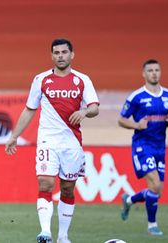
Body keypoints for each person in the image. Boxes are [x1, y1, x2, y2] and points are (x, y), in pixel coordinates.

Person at [5, 38, 99, 243]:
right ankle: (45, 232)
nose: (60, 56)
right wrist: (14, 136)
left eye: (64, 52)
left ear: (72, 55)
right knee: (45, 183)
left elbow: (94, 107)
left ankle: (63, 236)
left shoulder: (83, 80)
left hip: (72, 143)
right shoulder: (41, 79)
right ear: (52, 56)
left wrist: (84, 111)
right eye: (56, 53)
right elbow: (29, 109)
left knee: (67, 188)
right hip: (48, 140)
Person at [118, 59, 168, 236]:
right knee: (155, 185)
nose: (154, 73)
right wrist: (136, 125)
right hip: (142, 146)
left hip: (160, 147)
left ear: (160, 72)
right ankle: (152, 225)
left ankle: (129, 200)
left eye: (157, 70)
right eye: (150, 70)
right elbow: (121, 120)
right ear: (143, 74)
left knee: (156, 191)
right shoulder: (136, 97)